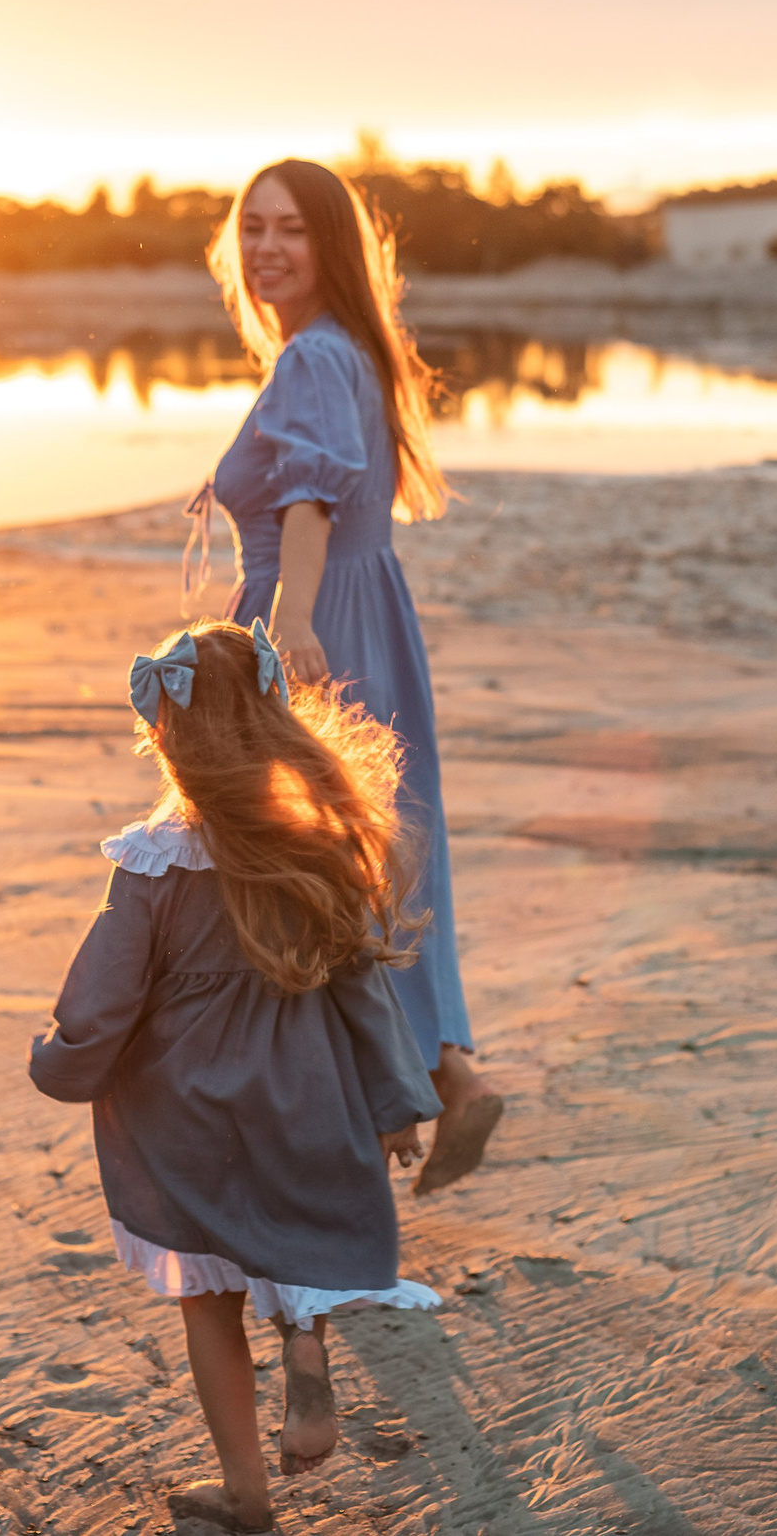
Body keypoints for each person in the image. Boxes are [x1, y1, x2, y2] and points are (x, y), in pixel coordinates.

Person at [30, 620, 444, 1534]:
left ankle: (247, 1492)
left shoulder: (154, 859)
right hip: (307, 1094)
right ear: (270, 724)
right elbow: (361, 986)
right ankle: (305, 1345)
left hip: (186, 1113)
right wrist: (396, 1100)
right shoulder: (313, 843)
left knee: (209, 1298)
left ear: (168, 736)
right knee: (301, 1243)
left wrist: (61, 1061)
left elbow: (105, 997)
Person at [190, 157, 502, 1192]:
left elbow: (308, 504)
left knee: (309, 868)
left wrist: (288, 625)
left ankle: (377, 1102)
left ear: (331, 244)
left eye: (291, 229)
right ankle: (439, 1074)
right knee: (370, 852)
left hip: (321, 620)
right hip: (361, 609)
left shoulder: (318, 359)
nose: (267, 248)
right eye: (253, 229)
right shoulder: (344, 351)